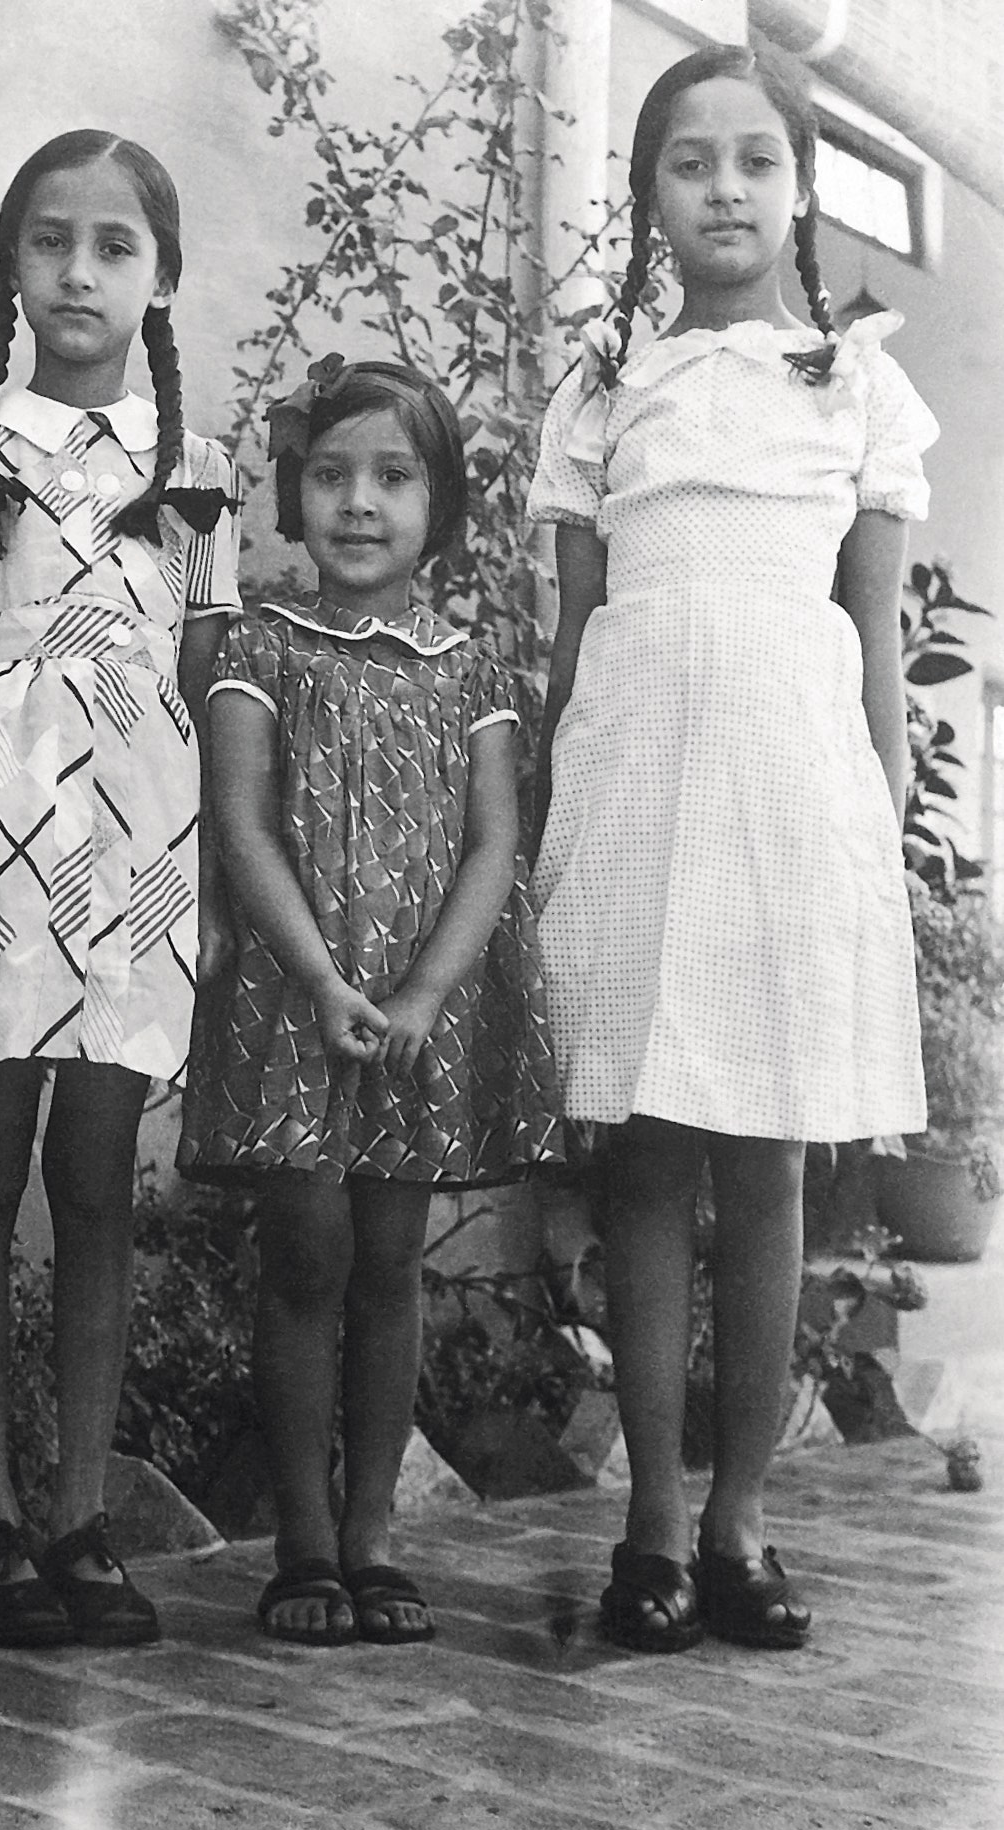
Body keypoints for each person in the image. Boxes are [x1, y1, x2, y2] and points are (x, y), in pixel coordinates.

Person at [528, 44, 936, 1652]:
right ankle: (644, 1524)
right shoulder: (605, 383)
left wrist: (873, 831)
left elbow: (875, 649)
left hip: (789, 792)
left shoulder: (856, 386)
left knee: (765, 1159)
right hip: (638, 781)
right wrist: (561, 817)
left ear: (798, 188)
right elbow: (570, 645)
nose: (723, 189)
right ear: (645, 196)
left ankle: (742, 1523)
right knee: (647, 1150)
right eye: (689, 161)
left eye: (755, 161)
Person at [0, 131, 242, 1647]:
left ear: (159, 276)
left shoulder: (193, 471)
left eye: (112, 247)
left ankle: (83, 1518)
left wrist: (207, 889)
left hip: (138, 849)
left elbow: (213, 690)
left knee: (97, 1187)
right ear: (9, 264)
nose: (77, 272)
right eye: (47, 242)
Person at [178, 357, 559, 1646]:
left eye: (393, 477)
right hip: (298, 1003)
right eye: (331, 475)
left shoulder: (474, 671)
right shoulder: (255, 650)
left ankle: (378, 1537)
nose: (358, 502)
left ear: (439, 509)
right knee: (304, 1258)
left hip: (417, 1012)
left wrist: (423, 993)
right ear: (292, 498)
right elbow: (238, 822)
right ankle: (300, 1542)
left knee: (391, 1263)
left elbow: (493, 846)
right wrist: (330, 982)